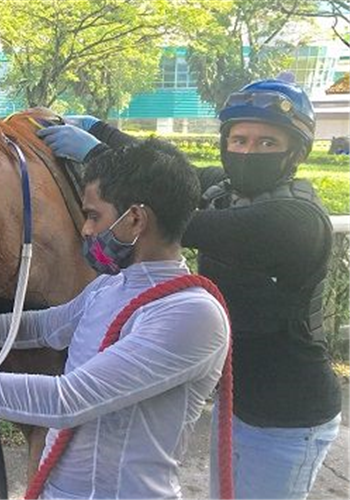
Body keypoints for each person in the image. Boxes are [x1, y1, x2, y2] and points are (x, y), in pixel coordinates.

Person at [0, 138, 230, 500]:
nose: (86, 230)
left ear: (135, 218)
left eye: (92, 216)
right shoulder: (112, 286)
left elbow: (66, 401)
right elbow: (46, 326)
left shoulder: (190, 314)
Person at [37, 77, 342, 500]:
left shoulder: (295, 222)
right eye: (239, 140)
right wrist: (100, 128)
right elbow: (173, 174)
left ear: (295, 152)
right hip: (238, 404)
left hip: (286, 416)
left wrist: (95, 155)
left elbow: (166, 207)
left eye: (266, 143)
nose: (248, 152)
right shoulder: (224, 189)